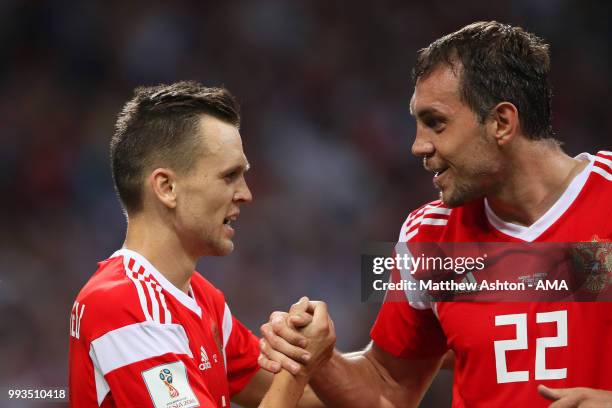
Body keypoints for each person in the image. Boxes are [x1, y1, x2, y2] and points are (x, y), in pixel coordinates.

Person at [258, 21, 612, 407]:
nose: (417, 146)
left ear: (502, 123)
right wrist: (317, 358)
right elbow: (389, 386)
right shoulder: (428, 235)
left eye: (435, 123)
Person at [68, 81, 332, 408]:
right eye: (229, 176)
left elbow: (304, 396)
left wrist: (313, 353)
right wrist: (300, 368)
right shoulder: (122, 305)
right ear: (166, 187)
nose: (245, 194)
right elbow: (292, 384)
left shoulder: (203, 299)